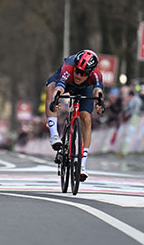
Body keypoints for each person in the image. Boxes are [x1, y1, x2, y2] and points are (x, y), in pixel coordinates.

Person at [45, 49, 105, 181]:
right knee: (50, 87)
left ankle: (82, 165)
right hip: (65, 82)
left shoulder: (97, 74)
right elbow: (59, 87)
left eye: (83, 73)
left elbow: (98, 91)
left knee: (86, 118)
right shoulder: (69, 67)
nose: (79, 75)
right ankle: (54, 135)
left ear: (90, 72)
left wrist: (100, 103)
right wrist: (55, 100)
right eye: (77, 71)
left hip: (85, 88)